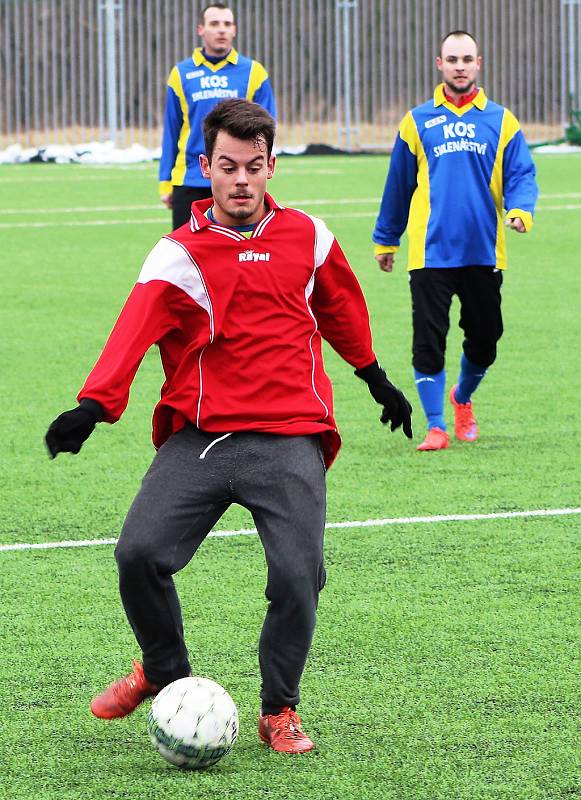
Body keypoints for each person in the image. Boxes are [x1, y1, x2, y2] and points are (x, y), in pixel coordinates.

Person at [46, 99, 412, 754]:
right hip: (203, 437)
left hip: (290, 435)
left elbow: (341, 310)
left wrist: (372, 376)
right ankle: (164, 672)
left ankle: (280, 708)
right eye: (226, 167)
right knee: (137, 554)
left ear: (271, 166)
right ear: (205, 168)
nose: (240, 180)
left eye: (252, 166)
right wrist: (95, 406)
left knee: (298, 575)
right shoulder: (176, 255)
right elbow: (131, 334)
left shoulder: (309, 237)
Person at [372, 30, 538, 451]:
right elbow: (398, 184)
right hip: (429, 253)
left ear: (478, 64)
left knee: (485, 339)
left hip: (483, 251)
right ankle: (436, 425)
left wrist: (519, 210)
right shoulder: (417, 122)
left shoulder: (502, 121)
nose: (460, 66)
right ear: (439, 64)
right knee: (428, 340)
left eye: (467, 59)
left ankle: (462, 398)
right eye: (452, 59)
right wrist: (385, 240)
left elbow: (521, 175)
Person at [159, 2, 276, 230]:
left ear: (234, 30)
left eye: (227, 24)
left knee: (235, 254)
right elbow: (171, 130)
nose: (221, 29)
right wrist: (165, 181)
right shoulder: (181, 74)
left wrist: (258, 172)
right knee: (187, 256)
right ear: (201, 29)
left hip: (238, 180)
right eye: (214, 24)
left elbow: (268, 132)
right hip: (190, 178)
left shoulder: (254, 72)